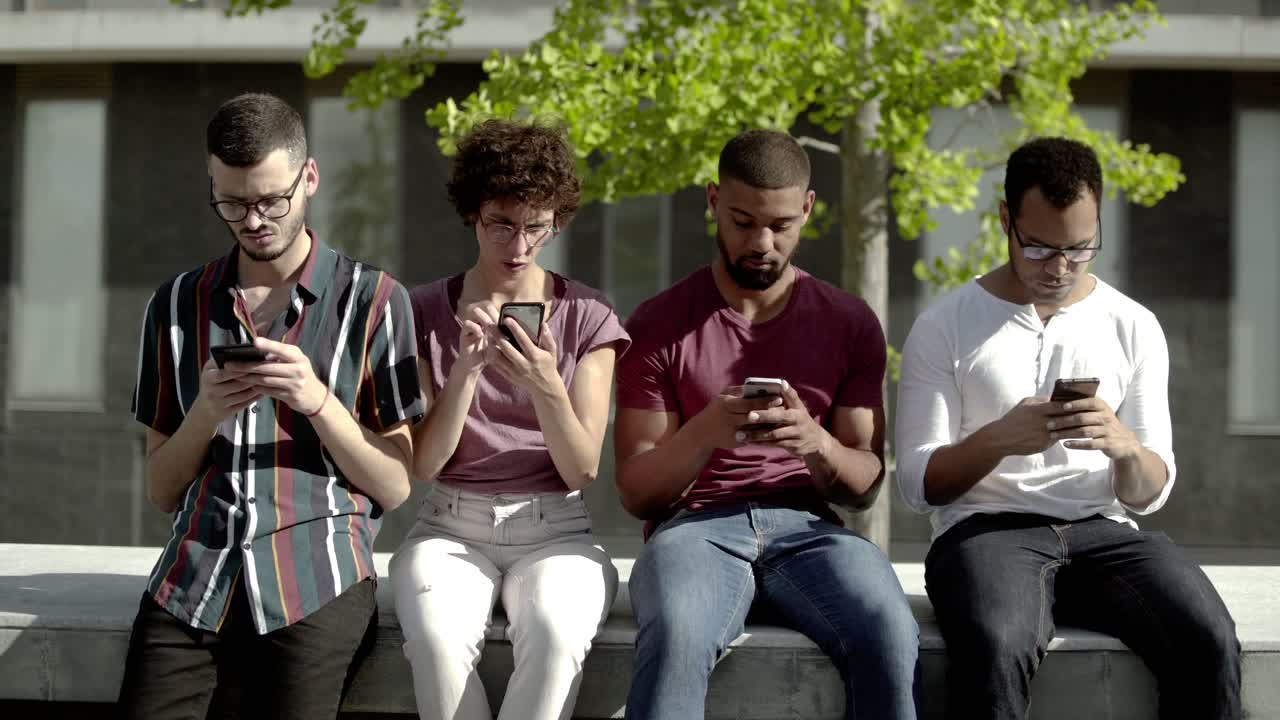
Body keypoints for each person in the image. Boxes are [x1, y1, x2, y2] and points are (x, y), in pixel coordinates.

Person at [895, 136, 1241, 720]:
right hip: (986, 532)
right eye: (1038, 249)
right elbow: (918, 484)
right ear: (1005, 218)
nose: (1059, 268)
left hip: (1103, 530)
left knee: (1207, 636)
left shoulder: (1133, 325)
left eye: (1081, 249)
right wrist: (1001, 438)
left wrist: (1124, 448)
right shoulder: (945, 325)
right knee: (997, 643)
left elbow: (1149, 493)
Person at [118, 92, 423, 719]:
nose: (253, 220)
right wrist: (205, 412)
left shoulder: (376, 301)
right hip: (192, 579)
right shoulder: (176, 305)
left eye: (270, 200)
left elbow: (395, 486)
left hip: (316, 576)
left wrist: (318, 402)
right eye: (231, 202)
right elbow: (159, 488)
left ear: (308, 177)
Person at [614, 129, 920, 720]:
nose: (761, 241)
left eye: (780, 224)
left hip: (810, 528)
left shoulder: (849, 322)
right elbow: (636, 491)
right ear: (712, 202)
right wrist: (705, 432)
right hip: (694, 529)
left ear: (807, 208)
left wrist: (816, 443)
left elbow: (864, 485)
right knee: (678, 632)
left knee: (889, 628)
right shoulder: (658, 324)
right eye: (742, 220)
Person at [390, 119, 630, 720]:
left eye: (535, 227)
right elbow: (423, 464)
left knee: (555, 636)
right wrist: (466, 373)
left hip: (557, 527)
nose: (518, 247)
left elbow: (582, 467)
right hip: (448, 522)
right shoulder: (418, 311)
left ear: (556, 221)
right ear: (473, 214)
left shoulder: (588, 314)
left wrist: (546, 384)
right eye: (501, 224)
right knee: (437, 642)